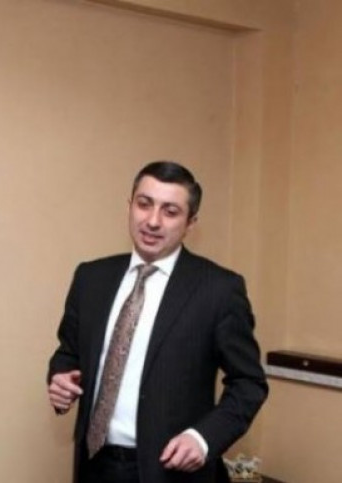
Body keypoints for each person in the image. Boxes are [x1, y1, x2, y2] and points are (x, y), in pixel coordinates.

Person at [47, 161, 268, 483]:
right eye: (144, 204)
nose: (152, 221)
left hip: (169, 471)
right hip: (94, 464)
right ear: (129, 206)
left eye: (170, 211)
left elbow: (249, 383)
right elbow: (68, 353)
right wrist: (60, 378)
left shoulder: (219, 289)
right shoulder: (91, 278)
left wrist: (203, 438)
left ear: (190, 222)